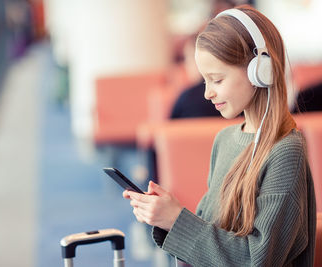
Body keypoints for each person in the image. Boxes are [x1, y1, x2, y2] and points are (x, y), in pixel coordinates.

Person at [123, 5, 316, 266]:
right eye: (205, 81)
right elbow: (211, 236)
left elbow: (256, 260)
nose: (207, 93)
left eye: (217, 79)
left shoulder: (285, 151)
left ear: (259, 71)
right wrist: (165, 215)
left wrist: (177, 219)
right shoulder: (224, 140)